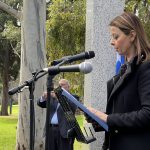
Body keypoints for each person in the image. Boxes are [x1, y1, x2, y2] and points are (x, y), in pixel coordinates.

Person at [87, 12, 150, 150]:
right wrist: (99, 120)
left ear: (132, 36)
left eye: (116, 36)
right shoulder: (124, 71)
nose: (111, 41)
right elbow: (124, 112)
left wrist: (107, 118)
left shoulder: (145, 68)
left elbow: (147, 114)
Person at [37, 79, 79, 150]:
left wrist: (59, 97)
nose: (60, 86)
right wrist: (43, 97)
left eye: (62, 84)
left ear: (68, 87)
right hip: (50, 130)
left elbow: (73, 106)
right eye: (59, 85)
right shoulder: (53, 97)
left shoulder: (73, 97)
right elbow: (40, 104)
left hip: (65, 131)